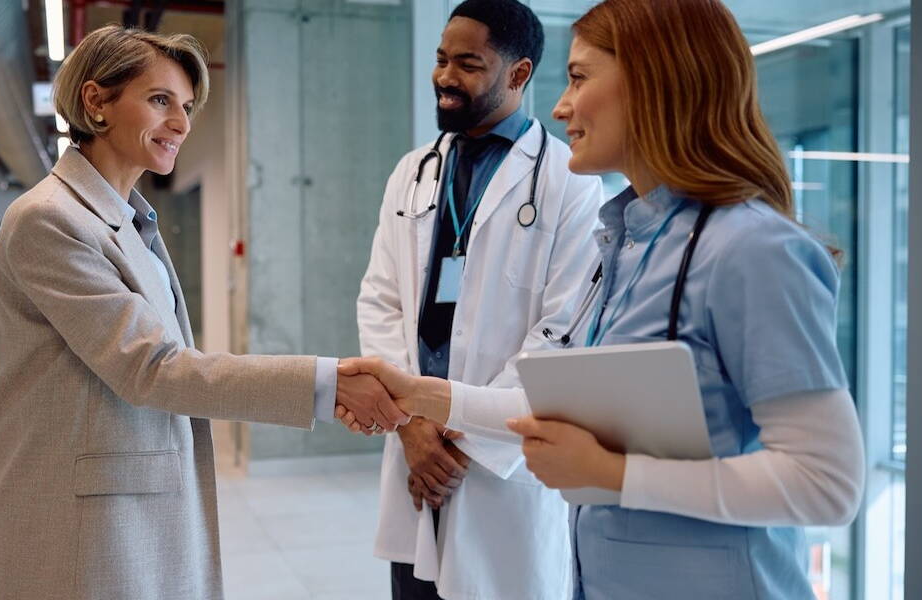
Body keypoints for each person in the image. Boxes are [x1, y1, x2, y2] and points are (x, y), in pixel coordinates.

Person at [341, 0, 867, 598]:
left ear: (654, 81)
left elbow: (828, 483)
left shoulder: (751, 250)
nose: (560, 105)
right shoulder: (634, 244)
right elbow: (572, 408)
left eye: (578, 77)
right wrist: (423, 400)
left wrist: (608, 474)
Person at [0, 26, 406, 600]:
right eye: (160, 101)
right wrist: (326, 383)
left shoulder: (129, 220)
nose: (181, 124)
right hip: (84, 519)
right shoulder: (50, 220)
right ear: (96, 101)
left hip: (127, 499)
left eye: (185, 106)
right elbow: (152, 367)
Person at [349, 0, 602, 597]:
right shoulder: (413, 172)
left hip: (497, 468)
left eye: (468, 64)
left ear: (518, 74)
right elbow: (380, 301)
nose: (444, 77)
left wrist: (461, 442)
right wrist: (411, 428)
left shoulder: (573, 181)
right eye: (441, 60)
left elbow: (561, 333)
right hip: (415, 458)